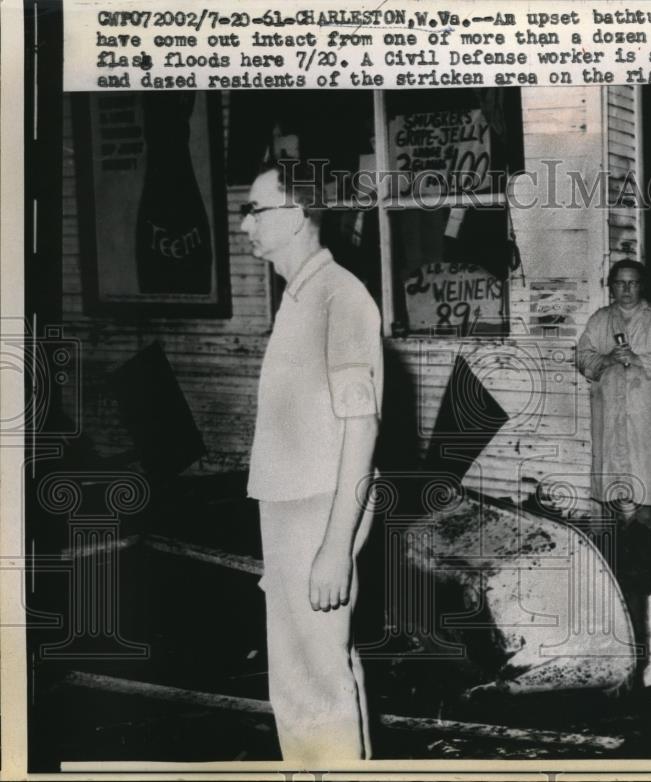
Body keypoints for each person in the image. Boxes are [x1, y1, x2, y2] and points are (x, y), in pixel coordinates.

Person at [242, 165, 382, 763]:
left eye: (257, 210)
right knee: (313, 672)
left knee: (310, 686)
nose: (245, 222)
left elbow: (362, 427)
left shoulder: (339, 297)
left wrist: (333, 547)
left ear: (297, 216)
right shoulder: (301, 297)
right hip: (294, 509)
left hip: (319, 512)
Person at [577, 260, 651, 533]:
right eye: (620, 282)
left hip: (644, 405)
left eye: (633, 282)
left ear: (642, 285)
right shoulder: (600, 319)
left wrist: (638, 359)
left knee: (645, 462)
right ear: (611, 286)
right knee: (612, 461)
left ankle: (646, 521)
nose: (626, 289)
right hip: (610, 404)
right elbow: (582, 356)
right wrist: (606, 359)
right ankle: (620, 522)